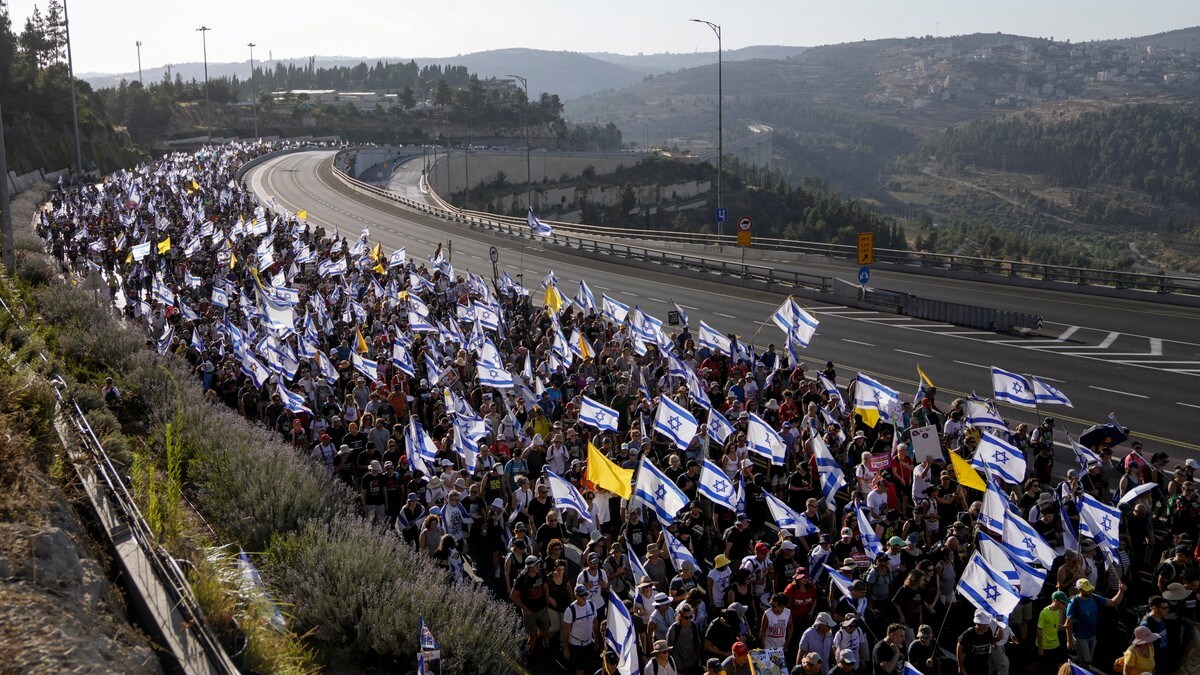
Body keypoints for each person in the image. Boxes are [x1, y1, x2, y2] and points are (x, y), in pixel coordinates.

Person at [1065, 577, 1127, 668]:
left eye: (1090, 589)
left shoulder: (1094, 597)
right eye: (1087, 590)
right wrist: (1069, 640)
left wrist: (1121, 591)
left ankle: (1069, 665)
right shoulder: (1074, 603)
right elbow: (1068, 623)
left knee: (1085, 657)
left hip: (1092, 636)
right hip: (1080, 637)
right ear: (1079, 590)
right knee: (1087, 662)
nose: (1090, 591)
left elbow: (1114, 602)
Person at [562, 584, 600, 675]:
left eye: (585, 594)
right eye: (581, 595)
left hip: (589, 642)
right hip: (576, 645)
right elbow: (565, 631)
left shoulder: (591, 605)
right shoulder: (570, 610)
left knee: (590, 666)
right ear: (576, 596)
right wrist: (566, 649)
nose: (584, 597)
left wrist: (597, 640)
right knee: (580, 667)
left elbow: (595, 624)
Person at [1036, 591, 1069, 673]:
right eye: (1063, 603)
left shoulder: (1058, 611)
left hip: (1055, 644)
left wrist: (1064, 626)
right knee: (1046, 669)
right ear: (1055, 601)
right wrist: (1040, 648)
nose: (1065, 605)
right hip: (1045, 647)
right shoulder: (1044, 613)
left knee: (1060, 666)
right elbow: (1039, 631)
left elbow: (1055, 625)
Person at [957, 609, 998, 675]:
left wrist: (998, 638)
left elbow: (989, 642)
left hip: (983, 665)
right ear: (977, 623)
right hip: (970, 666)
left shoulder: (989, 631)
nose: (985, 627)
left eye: (986, 624)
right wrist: (960, 666)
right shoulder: (969, 633)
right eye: (982, 624)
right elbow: (959, 646)